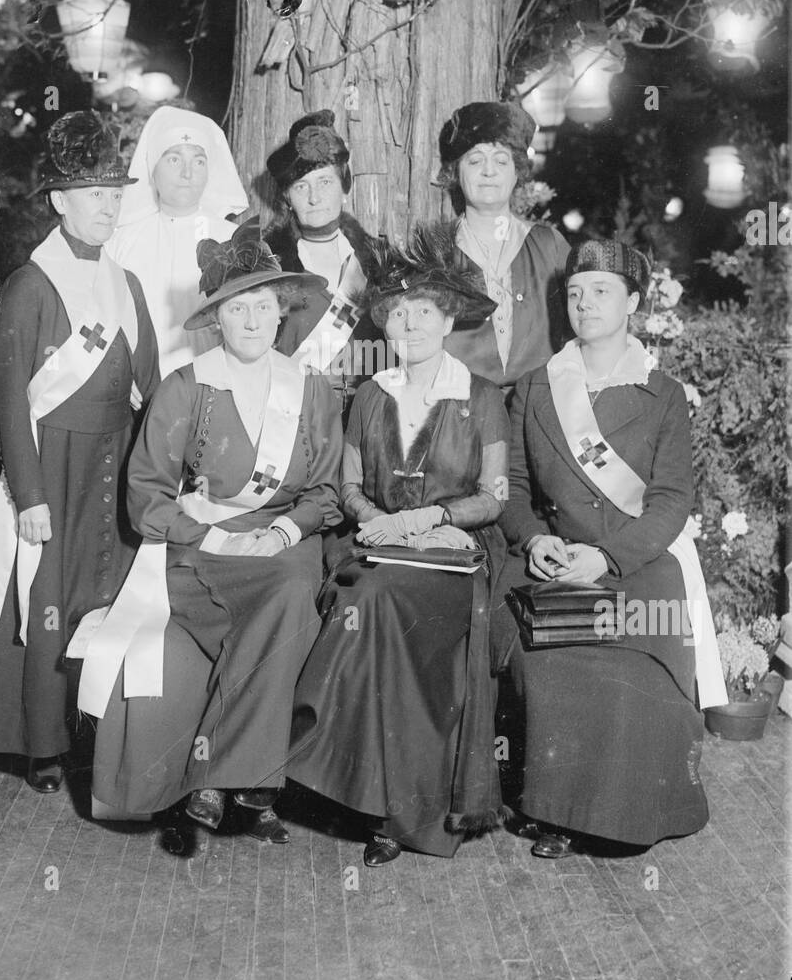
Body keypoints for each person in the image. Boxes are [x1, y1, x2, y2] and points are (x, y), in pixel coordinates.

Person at [70, 224, 343, 842]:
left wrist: (277, 536)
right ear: (217, 318)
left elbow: (324, 496)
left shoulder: (314, 391)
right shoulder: (184, 388)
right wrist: (217, 540)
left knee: (291, 593)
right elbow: (145, 498)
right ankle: (250, 782)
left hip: (281, 545)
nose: (250, 320)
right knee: (278, 619)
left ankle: (212, 777)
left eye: (263, 306)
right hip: (198, 549)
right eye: (236, 307)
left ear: (282, 314)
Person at [0, 112, 160, 793]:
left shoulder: (127, 285)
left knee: (102, 593)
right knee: (44, 597)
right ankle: (40, 743)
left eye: (114, 193)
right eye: (92, 193)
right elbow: (8, 398)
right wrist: (29, 496)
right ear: (60, 203)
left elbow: (148, 383)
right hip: (46, 463)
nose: (107, 206)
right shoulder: (30, 286)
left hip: (110, 461)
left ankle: (92, 728)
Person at [498, 239, 727, 858]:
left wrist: (610, 558)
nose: (584, 303)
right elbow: (514, 491)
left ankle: (619, 811)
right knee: (554, 652)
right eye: (574, 293)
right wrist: (536, 537)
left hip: (639, 559)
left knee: (626, 658)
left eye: (600, 291)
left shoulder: (664, 393)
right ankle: (554, 808)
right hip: (556, 554)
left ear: (632, 303)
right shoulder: (536, 389)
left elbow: (672, 501)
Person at [288, 229, 509, 865]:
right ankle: (381, 802)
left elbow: (494, 496)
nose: (409, 323)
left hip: (456, 556)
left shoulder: (481, 397)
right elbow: (348, 486)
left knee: (380, 605)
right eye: (397, 313)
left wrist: (428, 519)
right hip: (375, 549)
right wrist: (373, 519)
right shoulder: (370, 395)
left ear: (448, 322)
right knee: (377, 599)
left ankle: (362, 788)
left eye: (424, 313)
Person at [436, 101, 571, 400]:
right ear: (456, 172)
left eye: (501, 160)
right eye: (475, 161)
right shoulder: (436, 250)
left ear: (517, 173)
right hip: (458, 418)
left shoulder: (549, 245)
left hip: (538, 414)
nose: (488, 172)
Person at [107, 106, 249, 376]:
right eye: (174, 159)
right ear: (152, 168)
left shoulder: (232, 240)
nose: (187, 173)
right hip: (135, 387)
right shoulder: (121, 241)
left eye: (198, 161)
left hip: (212, 386)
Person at [264, 110, 383, 418]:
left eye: (325, 182)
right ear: (288, 197)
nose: (314, 197)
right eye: (301, 186)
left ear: (345, 188)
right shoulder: (267, 264)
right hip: (297, 417)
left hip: (367, 416)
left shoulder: (379, 261)